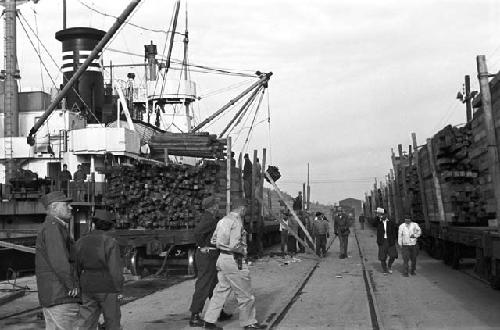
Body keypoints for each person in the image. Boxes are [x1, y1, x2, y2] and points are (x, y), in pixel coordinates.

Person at [203, 203, 266, 330]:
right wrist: (243, 250)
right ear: (241, 209)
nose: (245, 213)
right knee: (245, 294)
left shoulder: (222, 221)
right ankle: (249, 323)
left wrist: (223, 246)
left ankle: (209, 322)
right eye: (245, 210)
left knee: (220, 292)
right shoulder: (236, 222)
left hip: (222, 259)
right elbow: (234, 245)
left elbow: (213, 240)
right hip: (235, 260)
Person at [35, 191, 80, 329]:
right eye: (66, 205)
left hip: (53, 296)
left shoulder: (52, 226)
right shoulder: (53, 228)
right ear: (54, 207)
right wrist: (71, 284)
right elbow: (59, 260)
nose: (70, 207)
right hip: (61, 296)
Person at [76, 210, 124, 330]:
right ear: (109, 226)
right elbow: (115, 269)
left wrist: (77, 285)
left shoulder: (81, 241)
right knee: (112, 321)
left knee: (86, 321)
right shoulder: (111, 242)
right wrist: (119, 290)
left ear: (93, 224)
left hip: (87, 283)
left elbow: (75, 266)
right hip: (107, 285)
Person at [189, 197, 232, 327]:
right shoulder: (208, 219)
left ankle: (218, 311)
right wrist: (202, 246)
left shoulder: (210, 218)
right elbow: (197, 233)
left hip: (212, 255)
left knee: (215, 285)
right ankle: (195, 315)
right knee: (203, 284)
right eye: (216, 204)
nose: (218, 206)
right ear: (212, 207)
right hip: (206, 256)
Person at [376, 208, 398, 274]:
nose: (381, 216)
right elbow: (374, 222)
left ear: (386, 215)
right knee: (382, 257)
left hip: (390, 241)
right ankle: (384, 270)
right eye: (380, 215)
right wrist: (378, 215)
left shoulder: (391, 222)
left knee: (393, 255)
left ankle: (389, 266)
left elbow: (394, 232)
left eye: (382, 214)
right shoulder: (378, 222)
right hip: (382, 241)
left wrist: (394, 239)